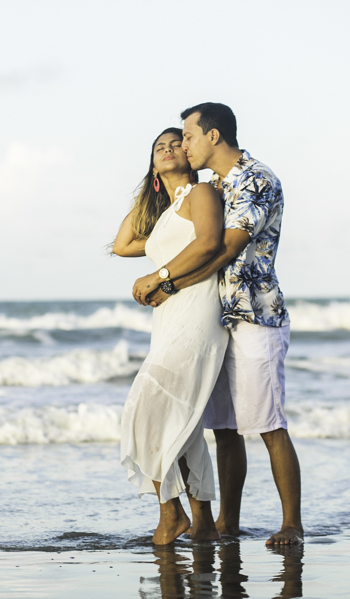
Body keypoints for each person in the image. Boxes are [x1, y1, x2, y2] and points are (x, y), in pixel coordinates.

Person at [134, 103, 304, 546]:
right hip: (219, 320)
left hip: (254, 315)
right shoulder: (215, 186)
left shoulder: (256, 179)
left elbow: (223, 249)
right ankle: (227, 522)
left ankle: (291, 524)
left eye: (187, 136)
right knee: (224, 429)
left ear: (212, 136)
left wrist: (166, 280)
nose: (182, 144)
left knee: (267, 423)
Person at [113, 127, 229, 544]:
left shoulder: (201, 195)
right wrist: (150, 188)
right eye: (157, 148)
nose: (166, 149)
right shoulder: (167, 214)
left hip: (196, 314)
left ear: (190, 149)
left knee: (144, 413)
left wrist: (159, 275)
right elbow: (122, 244)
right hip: (168, 321)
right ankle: (202, 524)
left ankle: (171, 516)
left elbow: (210, 243)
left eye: (173, 143)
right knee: (183, 424)